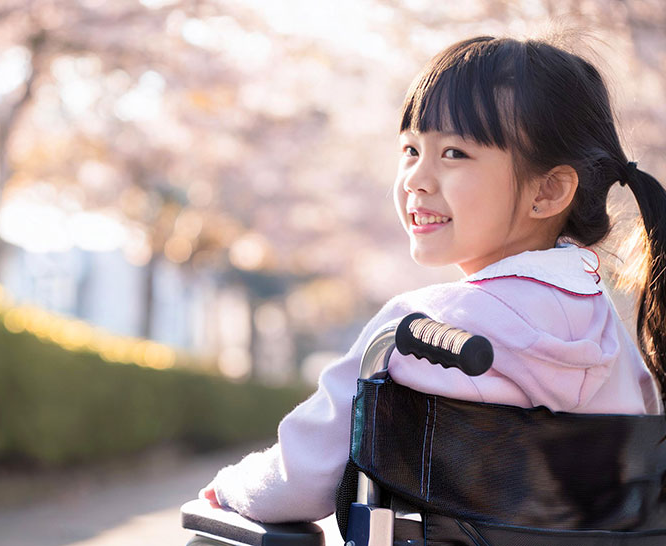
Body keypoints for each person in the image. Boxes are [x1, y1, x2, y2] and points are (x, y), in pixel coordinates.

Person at [199, 34, 666, 524]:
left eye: (454, 154)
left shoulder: (421, 332)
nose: (415, 178)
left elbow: (300, 480)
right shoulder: (614, 342)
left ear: (548, 191)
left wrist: (232, 485)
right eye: (410, 149)